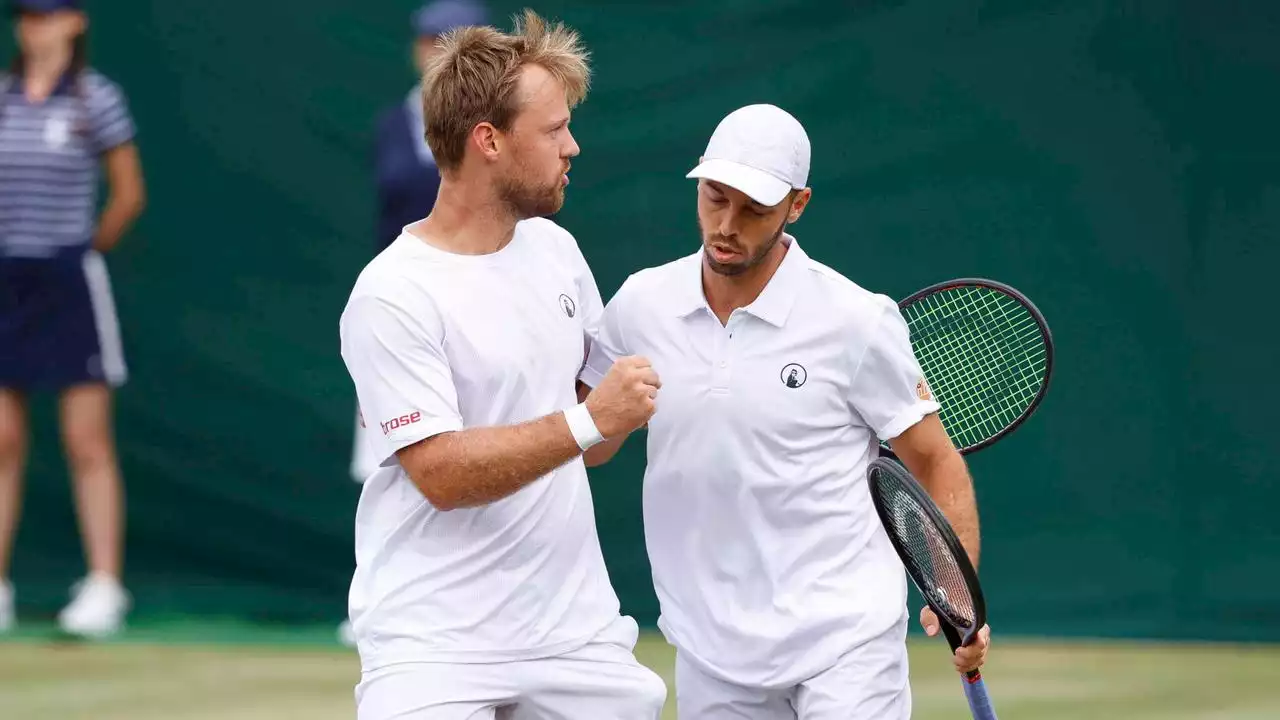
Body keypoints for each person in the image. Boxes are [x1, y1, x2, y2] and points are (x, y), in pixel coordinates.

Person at [579, 104, 991, 719]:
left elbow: (934, 459)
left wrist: (958, 592)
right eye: (715, 198)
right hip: (708, 648)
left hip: (845, 642)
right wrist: (595, 417)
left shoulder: (856, 319)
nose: (727, 224)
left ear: (797, 205)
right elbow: (588, 446)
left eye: (754, 210)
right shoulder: (641, 304)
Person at [337, 10, 666, 719]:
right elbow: (444, 475)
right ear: (488, 140)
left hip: (572, 636)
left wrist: (628, 404)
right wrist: (589, 419)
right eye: (553, 131)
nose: (573, 146)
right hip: (432, 646)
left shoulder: (557, 253)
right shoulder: (391, 295)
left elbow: (597, 444)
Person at [340, 0, 491, 649]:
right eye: (432, 39)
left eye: (454, 40)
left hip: (482, 315)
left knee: (481, 448)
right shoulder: (389, 126)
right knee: (389, 460)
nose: (439, 51)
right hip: (402, 317)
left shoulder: (501, 131)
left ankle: (479, 599)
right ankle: (378, 597)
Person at [0, 0, 145, 638]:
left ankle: (104, 586)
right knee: (1, 440)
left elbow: (127, 193)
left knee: (86, 440)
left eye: (45, 14)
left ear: (74, 22)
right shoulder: (1, 98)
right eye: (23, 15)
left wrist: (86, 248)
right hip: (6, 280)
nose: (32, 26)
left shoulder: (96, 99)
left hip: (69, 279)